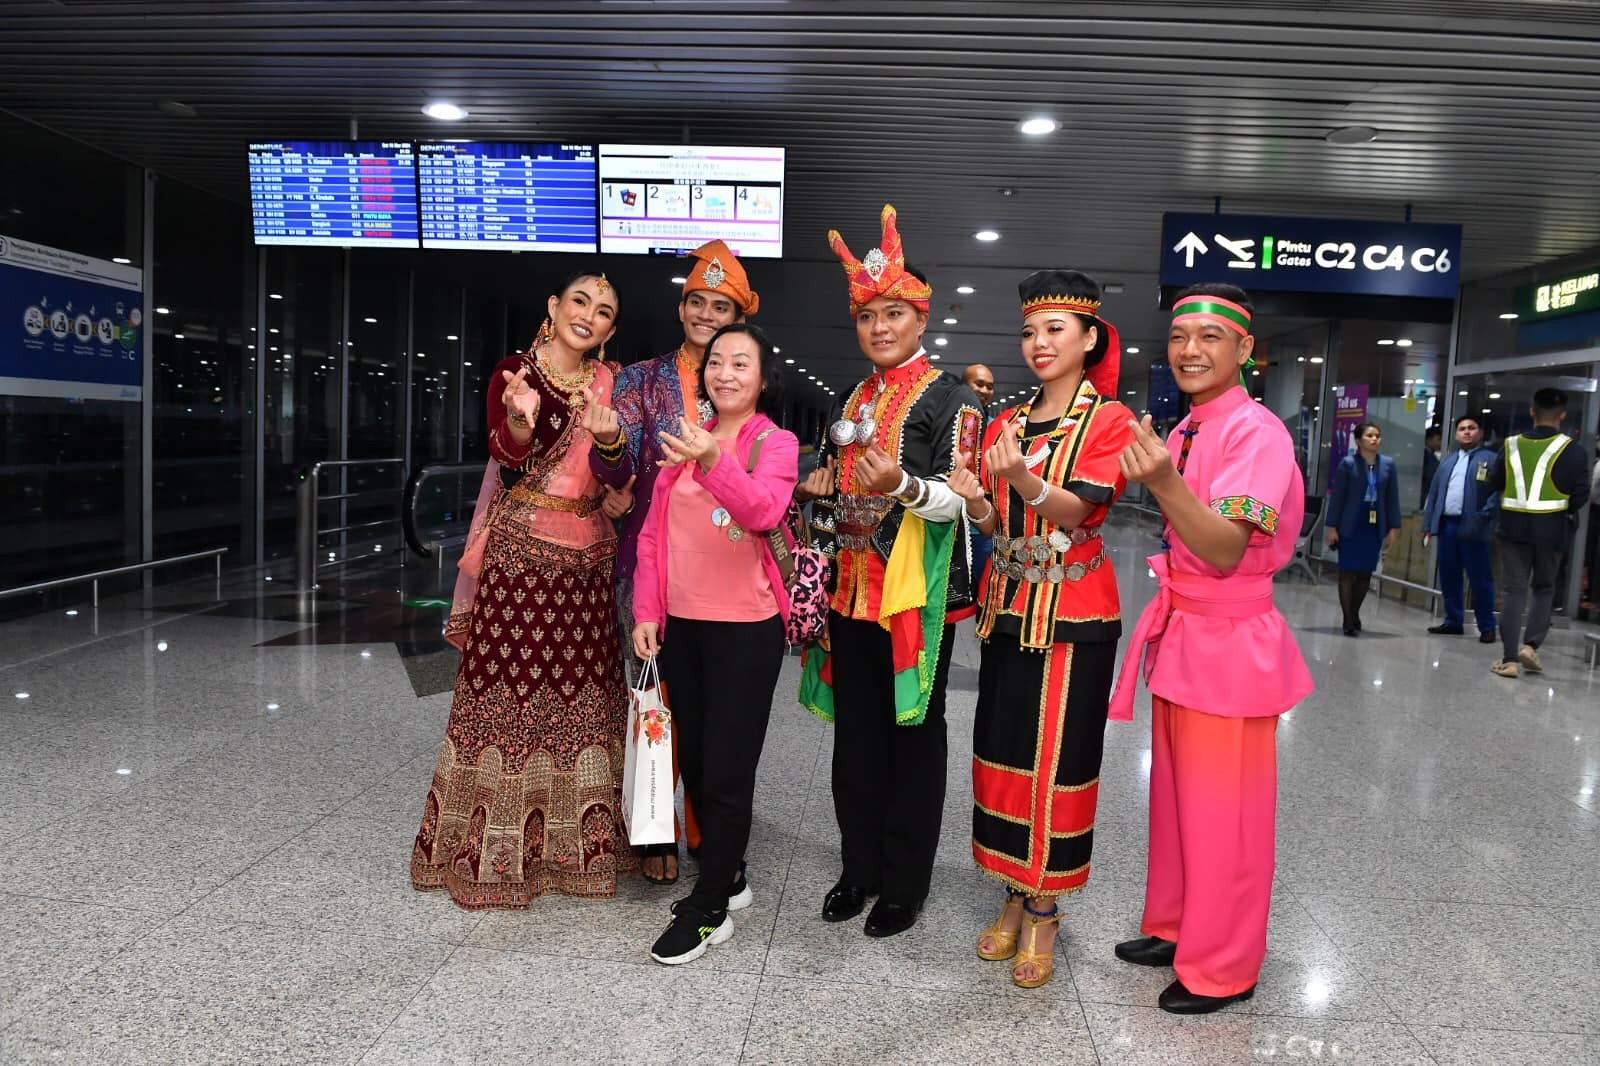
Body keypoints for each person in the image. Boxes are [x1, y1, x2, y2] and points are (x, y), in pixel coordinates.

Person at [1109, 282, 1313, 1014]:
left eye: (1210, 337)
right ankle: (1177, 927)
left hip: (1230, 642)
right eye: (1178, 336)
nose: (1189, 350)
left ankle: (1225, 965)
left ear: (1245, 348)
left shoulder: (1259, 433)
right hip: (1186, 630)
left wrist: (1163, 481)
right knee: (1176, 802)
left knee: (1225, 815)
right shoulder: (1189, 428)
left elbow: (1225, 548)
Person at [411, 270, 638, 907]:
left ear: (610, 329)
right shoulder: (516, 373)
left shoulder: (611, 383)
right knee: (508, 699)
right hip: (519, 563)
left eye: (603, 311)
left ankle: (579, 848)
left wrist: (612, 448)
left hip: (587, 564)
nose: (588, 315)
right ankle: (494, 850)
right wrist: (519, 420)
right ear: (554, 307)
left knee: (583, 700)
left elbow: (621, 469)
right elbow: (508, 454)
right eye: (579, 301)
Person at [797, 204, 984, 938]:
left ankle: (905, 885)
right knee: (856, 741)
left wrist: (901, 486)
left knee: (914, 737)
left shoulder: (951, 398)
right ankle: (860, 869)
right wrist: (819, 489)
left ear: (921, 318)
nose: (880, 327)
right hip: (849, 595)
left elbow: (958, 500)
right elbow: (835, 485)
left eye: (894, 313)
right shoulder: (852, 399)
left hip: (913, 599)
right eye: (868, 316)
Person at [950, 270, 1133, 989]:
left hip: (1073, 613)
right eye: (1029, 330)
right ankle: (1011, 889)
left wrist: (1023, 480)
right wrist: (974, 500)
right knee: (1003, 750)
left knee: (1059, 758)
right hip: (1008, 606)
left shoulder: (1109, 420)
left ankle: (1045, 907)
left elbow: (1079, 509)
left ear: (1090, 339)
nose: (1039, 342)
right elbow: (997, 522)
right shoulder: (1006, 421)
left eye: (1056, 329)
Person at [606, 323, 798, 965]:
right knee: (695, 761)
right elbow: (652, 537)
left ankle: (710, 907)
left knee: (728, 771)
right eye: (717, 362)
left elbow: (763, 512)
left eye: (741, 363)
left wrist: (713, 460)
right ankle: (729, 876)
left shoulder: (774, 443)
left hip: (746, 629)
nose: (725, 373)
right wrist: (646, 610)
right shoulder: (683, 441)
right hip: (681, 628)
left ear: (762, 379)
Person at [608, 238, 759, 884]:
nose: (706, 315)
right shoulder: (640, 380)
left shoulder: (742, 386)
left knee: (714, 713)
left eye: (720, 307)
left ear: (739, 318)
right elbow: (615, 461)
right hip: (652, 564)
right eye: (697, 301)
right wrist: (610, 461)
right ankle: (655, 830)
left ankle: (708, 834)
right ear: (681, 307)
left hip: (724, 573)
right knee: (656, 700)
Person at [1484, 387, 1591, 678]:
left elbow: (1492, 483)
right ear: (1563, 415)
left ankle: (1509, 660)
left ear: (1532, 412)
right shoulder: (1575, 451)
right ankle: (1531, 646)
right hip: (1553, 531)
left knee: (1513, 591)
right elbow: (1580, 496)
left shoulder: (1510, 446)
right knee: (1544, 589)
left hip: (1512, 529)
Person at [1422, 414, 1498, 642]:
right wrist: (1428, 524)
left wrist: (1484, 516)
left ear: (1480, 433)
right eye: (1462, 428)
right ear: (1456, 434)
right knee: (1449, 575)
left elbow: (1497, 493)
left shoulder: (1491, 459)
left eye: (1471, 428)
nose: (1466, 432)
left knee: (1480, 578)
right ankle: (1453, 621)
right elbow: (1434, 494)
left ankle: (1486, 626)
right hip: (1448, 525)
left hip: (1474, 526)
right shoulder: (1447, 461)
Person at [1326, 422, 1401, 636]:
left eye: (1377, 435)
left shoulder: (1388, 465)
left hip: (1374, 524)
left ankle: (1354, 612)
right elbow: (1338, 497)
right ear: (1359, 440)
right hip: (1351, 523)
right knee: (1347, 571)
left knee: (1366, 573)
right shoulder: (1348, 464)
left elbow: (1392, 497)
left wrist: (1394, 527)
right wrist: (1331, 526)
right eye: (1369, 435)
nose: (1374, 439)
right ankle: (1348, 619)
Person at [963, 362, 998, 586]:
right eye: (979, 384)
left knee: (984, 589)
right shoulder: (946, 424)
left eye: (990, 387)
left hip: (983, 528)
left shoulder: (997, 428)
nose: (985, 390)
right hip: (946, 525)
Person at [1422, 425, 1442, 509]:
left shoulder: (1431, 455)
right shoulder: (1425, 455)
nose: (1440, 443)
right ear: (1428, 440)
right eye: (1438, 439)